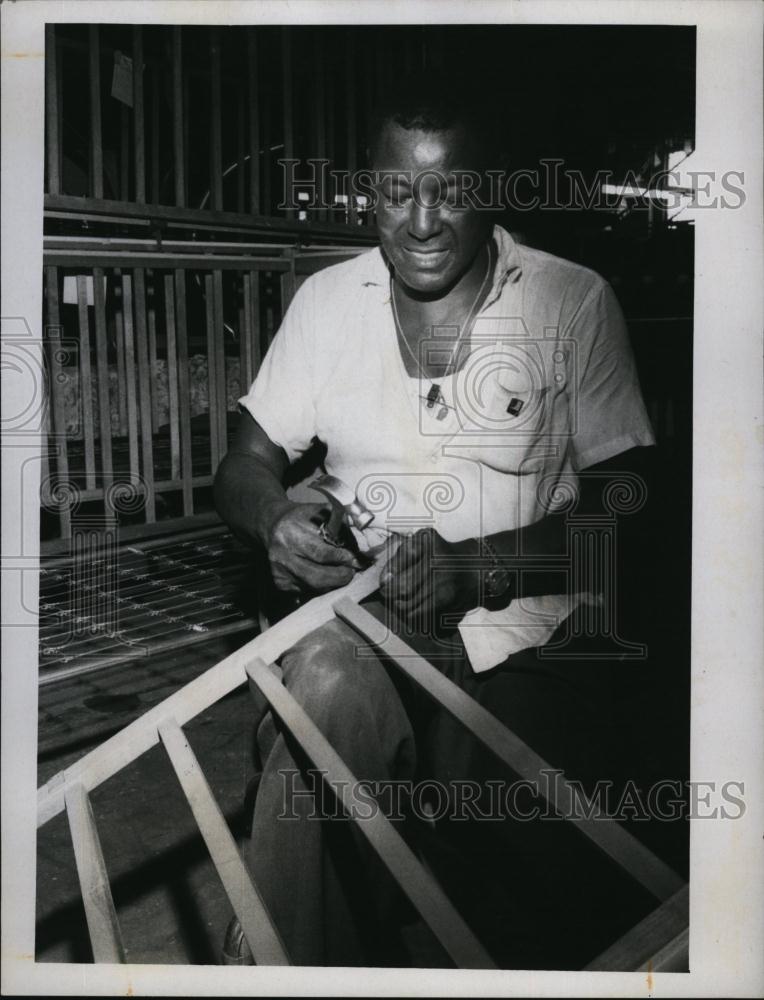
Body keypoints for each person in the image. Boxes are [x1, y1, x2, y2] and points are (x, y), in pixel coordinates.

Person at [214, 74, 656, 967]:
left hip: (524, 638)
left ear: (488, 189)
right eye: (394, 191)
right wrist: (273, 522)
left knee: (533, 879)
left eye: (450, 190)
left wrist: (475, 567)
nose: (420, 222)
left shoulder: (573, 302)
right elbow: (245, 460)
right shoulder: (327, 303)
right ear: (366, 194)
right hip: (366, 626)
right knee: (327, 690)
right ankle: (287, 956)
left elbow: (629, 515)